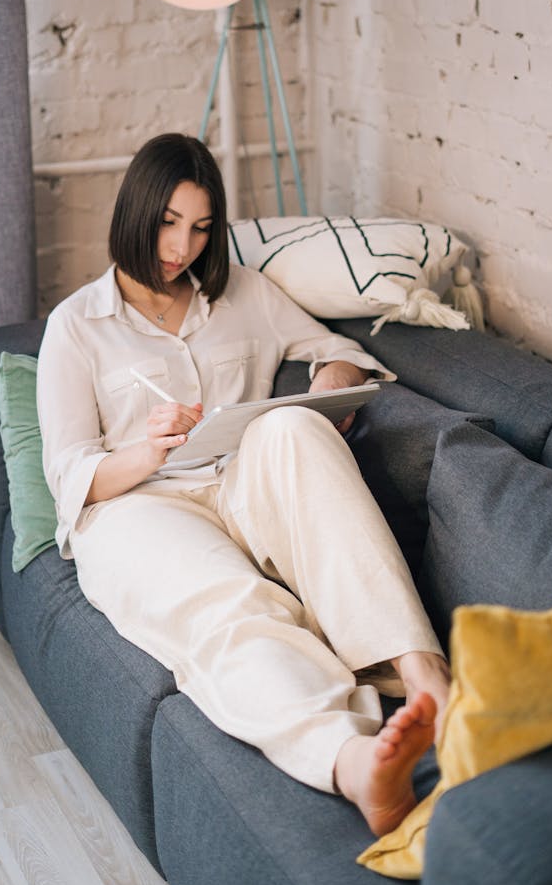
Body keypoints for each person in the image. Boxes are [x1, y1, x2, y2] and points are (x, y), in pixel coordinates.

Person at [37, 132, 451, 837]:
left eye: (201, 228)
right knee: (232, 601)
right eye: (169, 222)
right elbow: (72, 476)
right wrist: (145, 449)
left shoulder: (246, 295)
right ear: (134, 211)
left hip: (237, 483)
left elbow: (340, 351)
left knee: (291, 429)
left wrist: (331, 386)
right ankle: (352, 761)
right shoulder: (75, 327)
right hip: (134, 506)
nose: (182, 246)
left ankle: (429, 684)